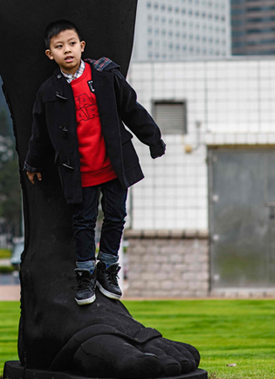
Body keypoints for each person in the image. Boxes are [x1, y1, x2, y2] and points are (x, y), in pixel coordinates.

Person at [24, 20, 166, 305]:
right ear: (50, 54)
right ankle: (85, 274)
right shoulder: (48, 92)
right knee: (84, 223)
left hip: (114, 165)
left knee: (115, 217)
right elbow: (40, 133)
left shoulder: (104, 74)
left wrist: (153, 139)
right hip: (80, 171)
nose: (67, 50)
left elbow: (131, 109)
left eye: (72, 44)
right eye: (59, 46)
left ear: (82, 46)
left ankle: (108, 268)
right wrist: (33, 163)